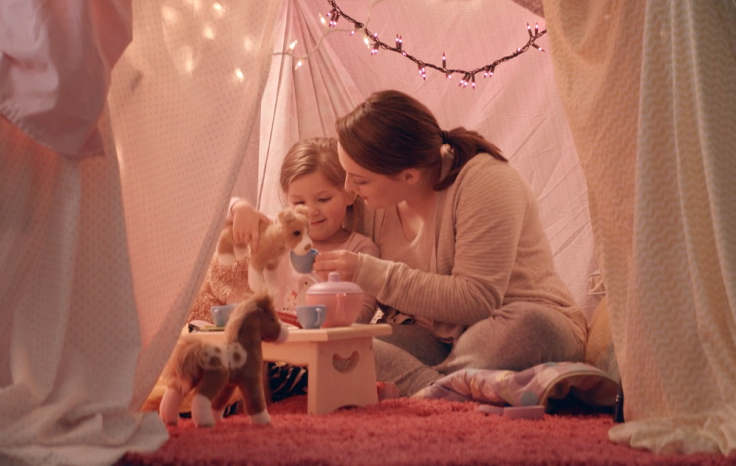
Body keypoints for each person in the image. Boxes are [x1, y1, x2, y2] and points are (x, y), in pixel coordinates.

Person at [234, 90, 588, 398]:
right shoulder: (375, 199)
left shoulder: (485, 183)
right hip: (428, 337)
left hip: (510, 320)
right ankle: (450, 389)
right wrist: (242, 209)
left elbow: (477, 301)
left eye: (358, 180)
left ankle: (433, 387)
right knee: (347, 348)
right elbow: (297, 225)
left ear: (408, 176)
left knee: (517, 333)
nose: (350, 190)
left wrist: (367, 271)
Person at [228, 137, 382, 400]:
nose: (311, 211)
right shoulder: (280, 238)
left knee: (353, 365)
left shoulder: (360, 249)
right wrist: (239, 208)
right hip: (274, 349)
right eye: (298, 203)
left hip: (325, 354)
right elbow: (218, 211)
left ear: (348, 194)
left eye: (323, 198)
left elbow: (361, 318)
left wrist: (331, 296)